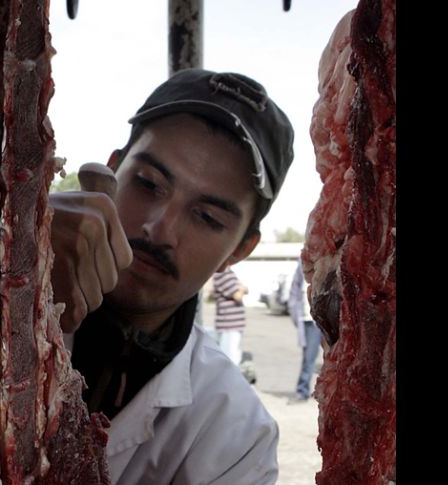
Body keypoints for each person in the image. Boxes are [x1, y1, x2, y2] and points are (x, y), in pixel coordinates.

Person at [51, 68, 294, 484]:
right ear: (112, 172)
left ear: (238, 250)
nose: (160, 229)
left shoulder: (235, 435)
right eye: (147, 184)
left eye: (206, 217)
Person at [287, 258, 322, 403]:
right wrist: (295, 313)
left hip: (324, 317)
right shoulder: (301, 264)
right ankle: (302, 391)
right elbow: (295, 290)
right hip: (309, 320)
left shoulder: (326, 259)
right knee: (309, 357)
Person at [212, 266, 248, 365]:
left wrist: (242, 289)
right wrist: (242, 289)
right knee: (229, 360)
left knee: (232, 356)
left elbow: (245, 289)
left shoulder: (227, 272)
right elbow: (237, 296)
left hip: (232, 324)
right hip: (229, 325)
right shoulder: (222, 273)